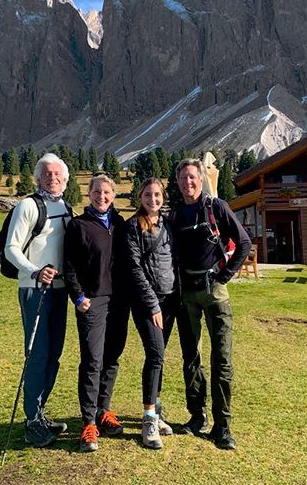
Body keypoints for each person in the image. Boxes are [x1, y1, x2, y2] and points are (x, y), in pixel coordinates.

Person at [171, 158, 251, 450]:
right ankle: (197, 417)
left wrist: (224, 276)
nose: (187, 183)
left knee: (222, 359)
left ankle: (223, 425)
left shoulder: (216, 207)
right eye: (183, 178)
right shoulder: (175, 214)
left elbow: (244, 243)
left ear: (201, 178)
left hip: (215, 293)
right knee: (191, 357)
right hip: (186, 296)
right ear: (178, 182)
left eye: (192, 177)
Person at [4, 153, 73, 447]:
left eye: (57, 174)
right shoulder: (28, 206)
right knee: (37, 355)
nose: (52, 178)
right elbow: (11, 249)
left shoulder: (66, 207)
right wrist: (34, 271)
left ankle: (40, 414)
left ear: (66, 179)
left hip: (60, 290)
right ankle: (32, 421)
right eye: (47, 174)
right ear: (37, 178)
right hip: (35, 290)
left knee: (54, 354)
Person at [64, 174, 129, 452]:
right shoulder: (78, 225)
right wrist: (78, 296)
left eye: (106, 192)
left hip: (120, 301)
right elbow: (68, 265)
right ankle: (88, 422)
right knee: (92, 359)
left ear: (113, 195)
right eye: (96, 192)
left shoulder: (120, 224)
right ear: (88, 194)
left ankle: (104, 410)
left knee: (112, 357)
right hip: (92, 301)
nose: (102, 196)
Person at [124, 178, 179, 450]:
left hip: (170, 300)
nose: (153, 199)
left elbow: (174, 260)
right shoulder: (133, 226)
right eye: (148, 194)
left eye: (157, 194)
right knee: (155, 354)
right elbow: (133, 268)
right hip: (147, 303)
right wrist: (152, 304)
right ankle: (148, 420)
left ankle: (156, 411)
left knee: (160, 356)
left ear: (163, 197)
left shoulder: (168, 224)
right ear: (140, 197)